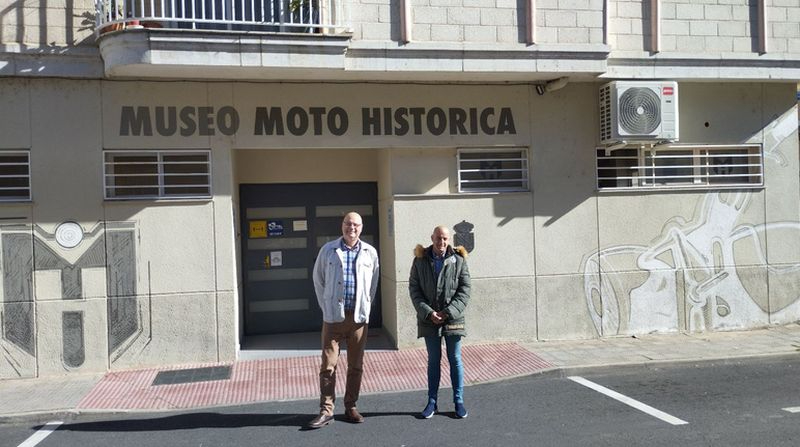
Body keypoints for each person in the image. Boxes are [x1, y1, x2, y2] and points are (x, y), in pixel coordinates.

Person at [307, 212, 380, 429]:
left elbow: (373, 284)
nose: (352, 228)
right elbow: (318, 279)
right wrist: (326, 307)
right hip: (333, 318)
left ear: (361, 227)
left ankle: (351, 406)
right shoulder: (328, 250)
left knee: (355, 366)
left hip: (358, 319)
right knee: (328, 366)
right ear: (342, 225)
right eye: (348, 224)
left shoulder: (370, 252)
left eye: (356, 225)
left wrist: (366, 306)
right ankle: (326, 410)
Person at [409, 225, 471, 419]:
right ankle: (432, 402)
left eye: (444, 238)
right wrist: (429, 313)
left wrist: (448, 312)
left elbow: (465, 290)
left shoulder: (459, 260)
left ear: (449, 239)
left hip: (452, 318)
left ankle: (458, 401)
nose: (441, 242)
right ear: (432, 238)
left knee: (455, 359)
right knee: (433, 361)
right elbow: (414, 289)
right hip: (430, 319)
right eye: (438, 238)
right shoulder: (420, 260)